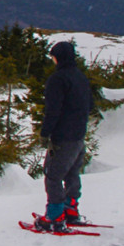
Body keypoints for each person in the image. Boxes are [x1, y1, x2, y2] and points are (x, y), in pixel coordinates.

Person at [34, 41, 95, 232]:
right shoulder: (80, 77)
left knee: (52, 176)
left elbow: (53, 110)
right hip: (79, 136)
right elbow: (91, 105)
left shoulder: (57, 79)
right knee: (71, 173)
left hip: (63, 137)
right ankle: (71, 209)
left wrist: (45, 133)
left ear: (57, 57)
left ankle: (54, 216)